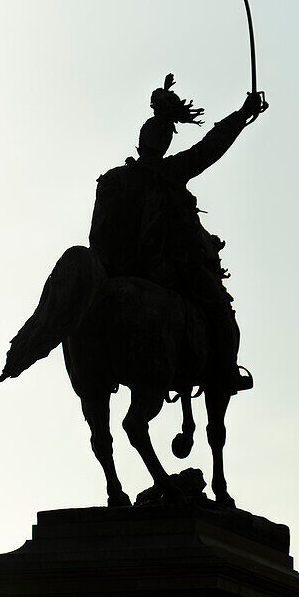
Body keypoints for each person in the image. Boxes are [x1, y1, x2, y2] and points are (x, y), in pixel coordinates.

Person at [88, 74, 266, 393]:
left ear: (141, 143)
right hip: (168, 271)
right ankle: (225, 373)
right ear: (164, 145)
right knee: (222, 316)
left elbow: (96, 235)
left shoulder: (112, 180)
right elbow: (210, 146)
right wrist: (243, 114)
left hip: (112, 270)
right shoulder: (171, 172)